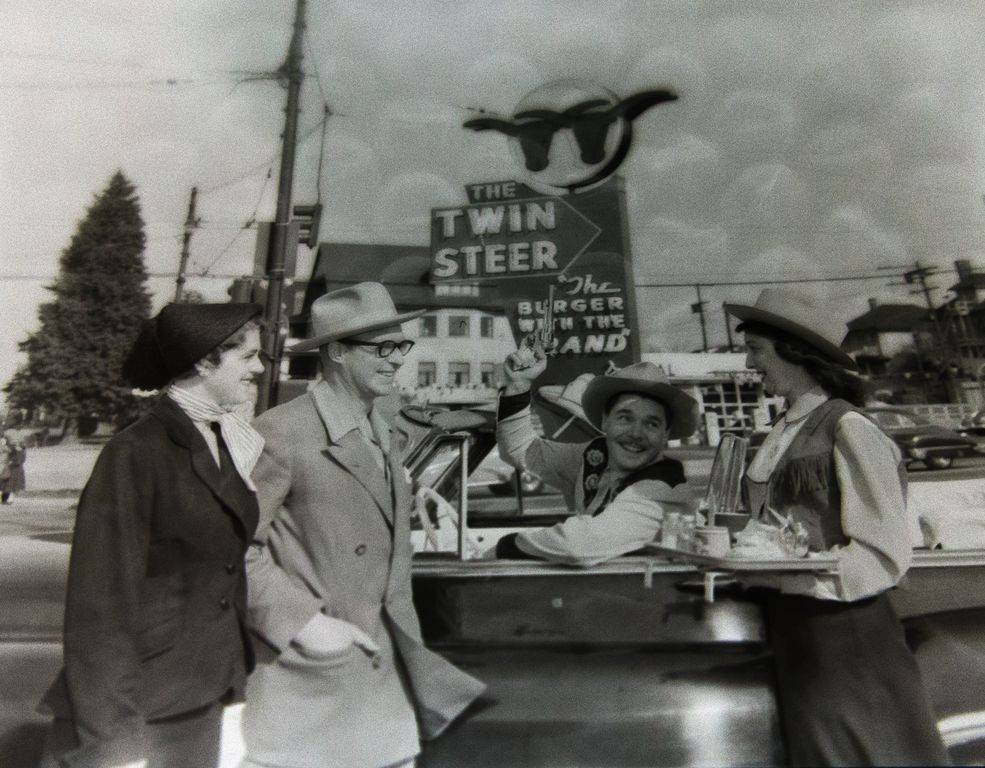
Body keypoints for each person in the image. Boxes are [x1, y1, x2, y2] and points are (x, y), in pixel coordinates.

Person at [241, 282, 485, 768]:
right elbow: (232, 551)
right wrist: (308, 626)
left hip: (383, 670)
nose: (398, 360)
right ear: (336, 352)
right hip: (312, 675)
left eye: (402, 346)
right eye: (383, 348)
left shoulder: (383, 426)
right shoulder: (283, 431)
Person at [724, 288, 950, 766]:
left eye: (756, 350)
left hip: (847, 632)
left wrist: (793, 575)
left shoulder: (849, 428)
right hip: (796, 628)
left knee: (867, 753)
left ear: (794, 353)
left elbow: (884, 552)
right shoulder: (778, 432)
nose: (748, 363)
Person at [39, 302, 266, 768]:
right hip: (137, 708)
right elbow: (99, 607)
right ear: (206, 360)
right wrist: (112, 743)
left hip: (200, 696)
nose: (260, 369)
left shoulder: (225, 441)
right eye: (248, 357)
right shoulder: (136, 451)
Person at [492, 343, 699, 566]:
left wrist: (506, 545)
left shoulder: (666, 487)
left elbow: (579, 545)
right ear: (605, 421)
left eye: (652, 423)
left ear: (665, 433)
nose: (636, 433)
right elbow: (522, 451)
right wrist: (518, 385)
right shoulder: (595, 455)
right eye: (625, 418)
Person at [2, 434, 27, 503]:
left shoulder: (16, 449)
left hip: (12, 468)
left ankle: (5, 500)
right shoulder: (14, 448)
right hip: (11, 468)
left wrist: (11, 462)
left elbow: (18, 460)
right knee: (7, 485)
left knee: (7, 484)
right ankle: (5, 499)